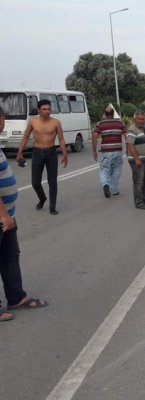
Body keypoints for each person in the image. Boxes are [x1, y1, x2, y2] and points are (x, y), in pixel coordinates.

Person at [1, 105, 49, 322]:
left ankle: (16, 297)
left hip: (7, 214)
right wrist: (3, 214)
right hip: (2, 216)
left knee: (10, 257)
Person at [16, 99, 68, 215]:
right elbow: (25, 137)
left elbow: (61, 139)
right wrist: (20, 152)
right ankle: (42, 198)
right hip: (37, 153)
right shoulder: (33, 122)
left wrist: (65, 153)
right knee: (35, 182)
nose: (47, 111)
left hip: (51, 153)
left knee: (52, 182)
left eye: (49, 109)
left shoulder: (56, 122)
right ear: (39, 110)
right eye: (44, 109)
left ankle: (52, 207)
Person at [92, 106, 127, 198]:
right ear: (113, 114)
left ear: (105, 114)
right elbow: (127, 135)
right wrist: (128, 148)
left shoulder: (100, 124)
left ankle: (105, 184)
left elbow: (95, 136)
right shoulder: (120, 123)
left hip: (106, 152)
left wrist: (94, 151)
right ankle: (114, 190)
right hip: (118, 151)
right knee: (117, 170)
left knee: (105, 170)